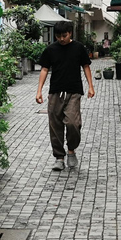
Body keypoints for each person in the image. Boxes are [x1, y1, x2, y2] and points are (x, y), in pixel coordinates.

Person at [35, 20, 95, 171]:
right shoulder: (50, 49)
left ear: (70, 33)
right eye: (58, 36)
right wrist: (39, 90)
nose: (61, 39)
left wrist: (91, 87)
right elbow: (44, 69)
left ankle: (71, 150)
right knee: (55, 125)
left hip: (74, 91)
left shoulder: (78, 48)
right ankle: (59, 157)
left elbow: (86, 66)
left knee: (73, 123)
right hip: (55, 91)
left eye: (64, 35)